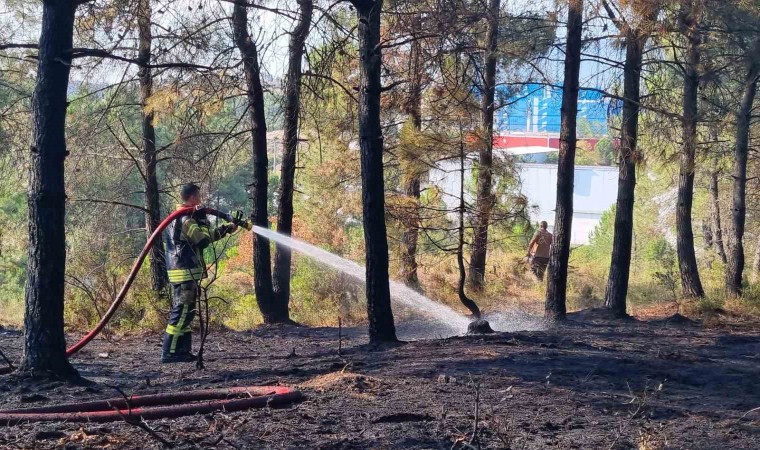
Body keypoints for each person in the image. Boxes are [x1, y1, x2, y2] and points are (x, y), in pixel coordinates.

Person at [161, 183, 239, 363]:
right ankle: (169, 353)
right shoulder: (186, 219)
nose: (201, 200)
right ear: (193, 198)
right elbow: (202, 240)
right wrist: (204, 221)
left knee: (187, 313)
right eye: (199, 196)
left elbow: (203, 238)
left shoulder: (182, 217)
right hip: (184, 272)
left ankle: (182, 351)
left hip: (185, 272)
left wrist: (225, 229)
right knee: (181, 313)